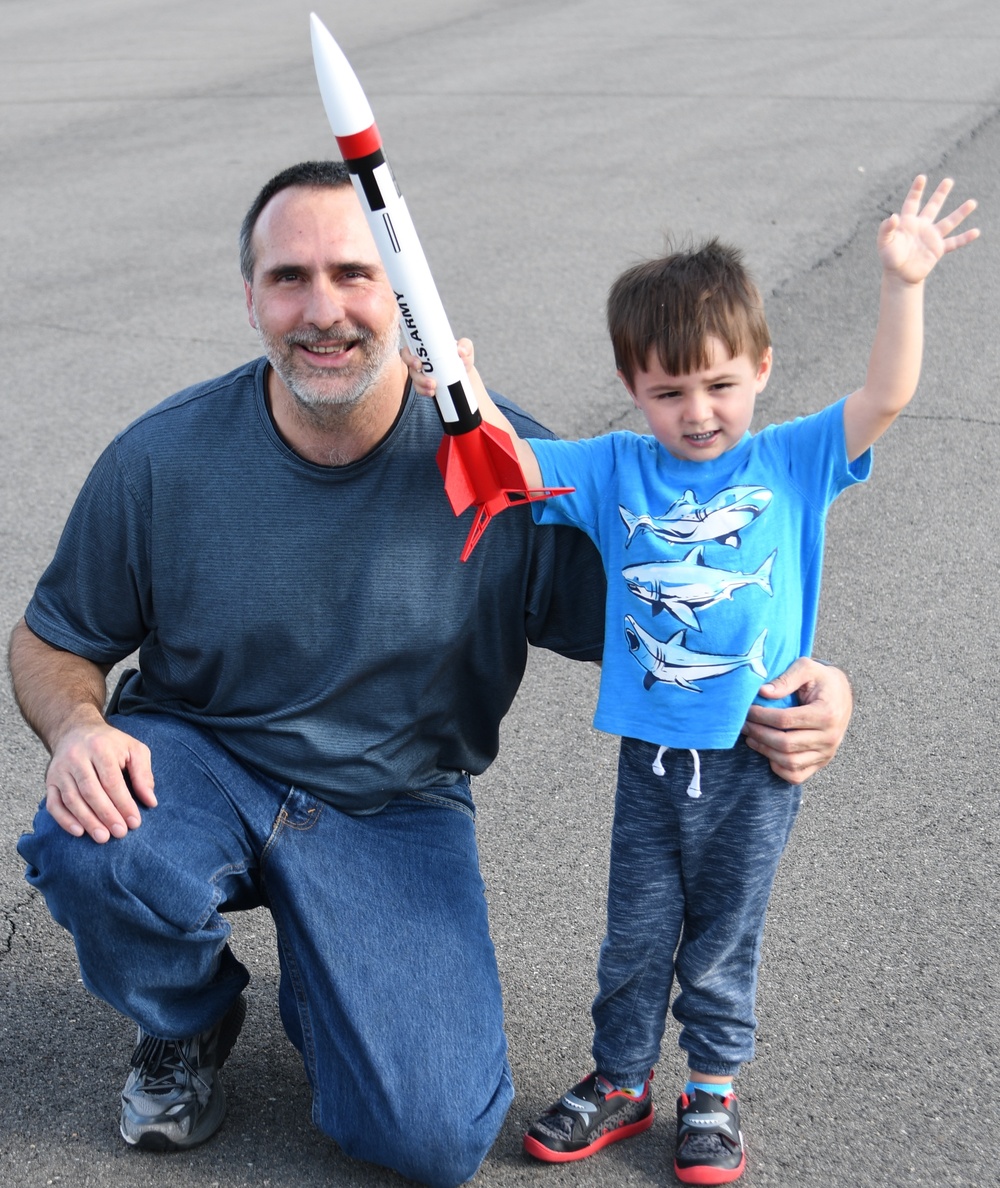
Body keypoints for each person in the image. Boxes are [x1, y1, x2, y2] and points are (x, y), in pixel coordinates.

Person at [10, 160, 854, 1188]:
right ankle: (187, 1017)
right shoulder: (162, 460)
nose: (323, 310)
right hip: (204, 763)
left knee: (431, 1139)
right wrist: (79, 731)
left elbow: (689, 611)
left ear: (403, 293)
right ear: (250, 300)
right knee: (92, 841)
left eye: (354, 276)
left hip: (394, 803)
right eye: (289, 279)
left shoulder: (506, 467)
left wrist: (813, 688)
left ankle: (341, 981)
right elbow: (52, 640)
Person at [406, 175, 977, 1184]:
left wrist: (903, 284)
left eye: (717, 384)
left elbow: (886, 393)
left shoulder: (791, 460)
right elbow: (505, 464)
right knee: (634, 933)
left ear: (760, 368)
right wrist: (458, 385)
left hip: (754, 758)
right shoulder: (619, 467)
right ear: (633, 388)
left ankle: (710, 1090)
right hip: (653, 759)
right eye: (667, 392)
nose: (697, 412)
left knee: (722, 937)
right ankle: (619, 1081)